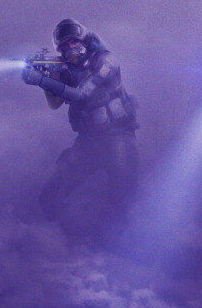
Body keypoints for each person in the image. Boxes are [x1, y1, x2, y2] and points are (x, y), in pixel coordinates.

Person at [22, 19, 139, 233]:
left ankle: (129, 243)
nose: (71, 48)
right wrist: (47, 76)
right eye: (65, 45)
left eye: (74, 42)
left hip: (117, 137)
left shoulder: (106, 61)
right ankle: (66, 238)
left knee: (124, 200)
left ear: (83, 40)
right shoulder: (67, 69)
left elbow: (81, 94)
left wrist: (40, 80)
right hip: (89, 141)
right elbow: (55, 104)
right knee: (51, 195)